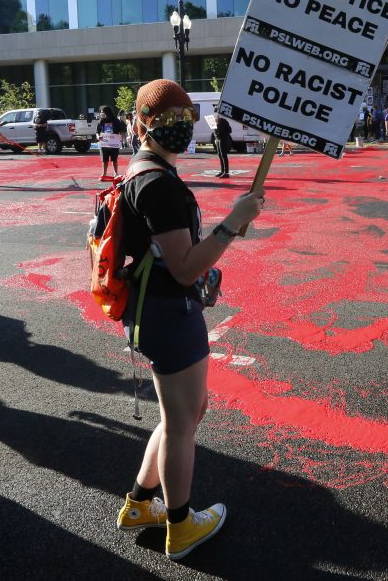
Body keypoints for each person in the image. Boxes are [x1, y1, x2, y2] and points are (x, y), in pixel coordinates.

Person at [115, 79, 264, 561]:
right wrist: (229, 224)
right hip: (168, 313)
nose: (182, 128)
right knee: (183, 422)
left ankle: (140, 503)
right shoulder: (157, 184)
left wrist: (229, 227)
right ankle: (180, 526)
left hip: (156, 310)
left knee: (183, 414)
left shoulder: (144, 172)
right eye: (168, 121)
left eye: (187, 118)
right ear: (143, 124)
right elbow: (184, 268)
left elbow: (176, 255)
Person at [97, 105, 127, 181]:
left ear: (107, 112)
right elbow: (97, 131)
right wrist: (98, 136)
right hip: (104, 143)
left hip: (114, 143)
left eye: (102, 112)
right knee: (104, 159)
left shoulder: (116, 121)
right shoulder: (101, 121)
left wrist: (121, 138)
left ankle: (116, 173)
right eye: (101, 112)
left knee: (114, 159)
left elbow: (121, 131)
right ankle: (104, 173)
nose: (101, 113)